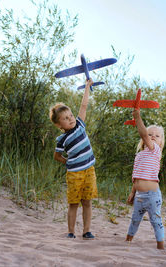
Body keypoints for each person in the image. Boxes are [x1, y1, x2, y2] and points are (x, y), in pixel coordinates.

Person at [49, 78, 97, 240]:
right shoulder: (61, 140)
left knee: (87, 202)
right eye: (65, 118)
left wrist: (87, 87)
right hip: (74, 174)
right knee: (74, 203)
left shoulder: (80, 125)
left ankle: (87, 231)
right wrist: (67, 162)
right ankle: (70, 232)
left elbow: (83, 105)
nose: (70, 119)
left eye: (70, 115)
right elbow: (57, 156)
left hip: (89, 170)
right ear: (59, 124)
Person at [125, 108, 165, 249]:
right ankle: (128, 240)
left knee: (155, 221)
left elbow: (143, 134)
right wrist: (132, 192)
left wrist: (137, 117)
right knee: (135, 220)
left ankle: (161, 246)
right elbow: (136, 176)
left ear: (160, 142)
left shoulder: (155, 151)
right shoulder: (140, 155)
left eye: (157, 136)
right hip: (139, 196)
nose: (153, 136)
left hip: (152, 196)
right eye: (150, 134)